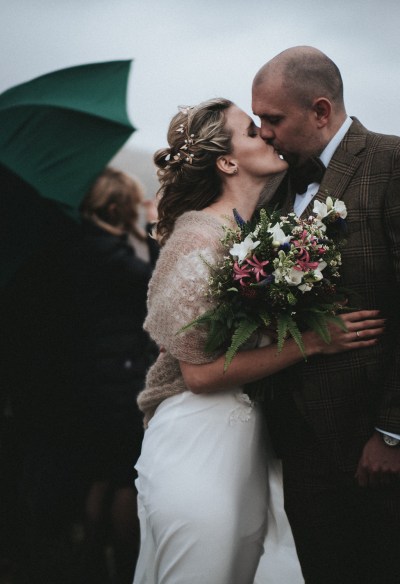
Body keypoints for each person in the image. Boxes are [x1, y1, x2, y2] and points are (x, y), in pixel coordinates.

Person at [132, 98, 384, 584]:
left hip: (246, 441)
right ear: (227, 162)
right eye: (252, 131)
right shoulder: (198, 239)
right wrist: (312, 341)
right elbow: (199, 374)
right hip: (198, 439)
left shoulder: (254, 232)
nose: (267, 135)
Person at [251, 46, 400, 584]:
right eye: (258, 120)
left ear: (320, 110)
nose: (263, 132)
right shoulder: (273, 188)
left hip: (373, 447)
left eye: (273, 119)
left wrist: (392, 432)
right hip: (300, 447)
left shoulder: (390, 163)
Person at [3, 167, 158, 584]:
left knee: (100, 475)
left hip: (89, 382)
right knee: (127, 478)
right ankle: (125, 565)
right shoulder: (110, 252)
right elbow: (156, 289)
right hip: (122, 385)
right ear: (114, 208)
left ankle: (90, 558)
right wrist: (153, 232)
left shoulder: (70, 247)